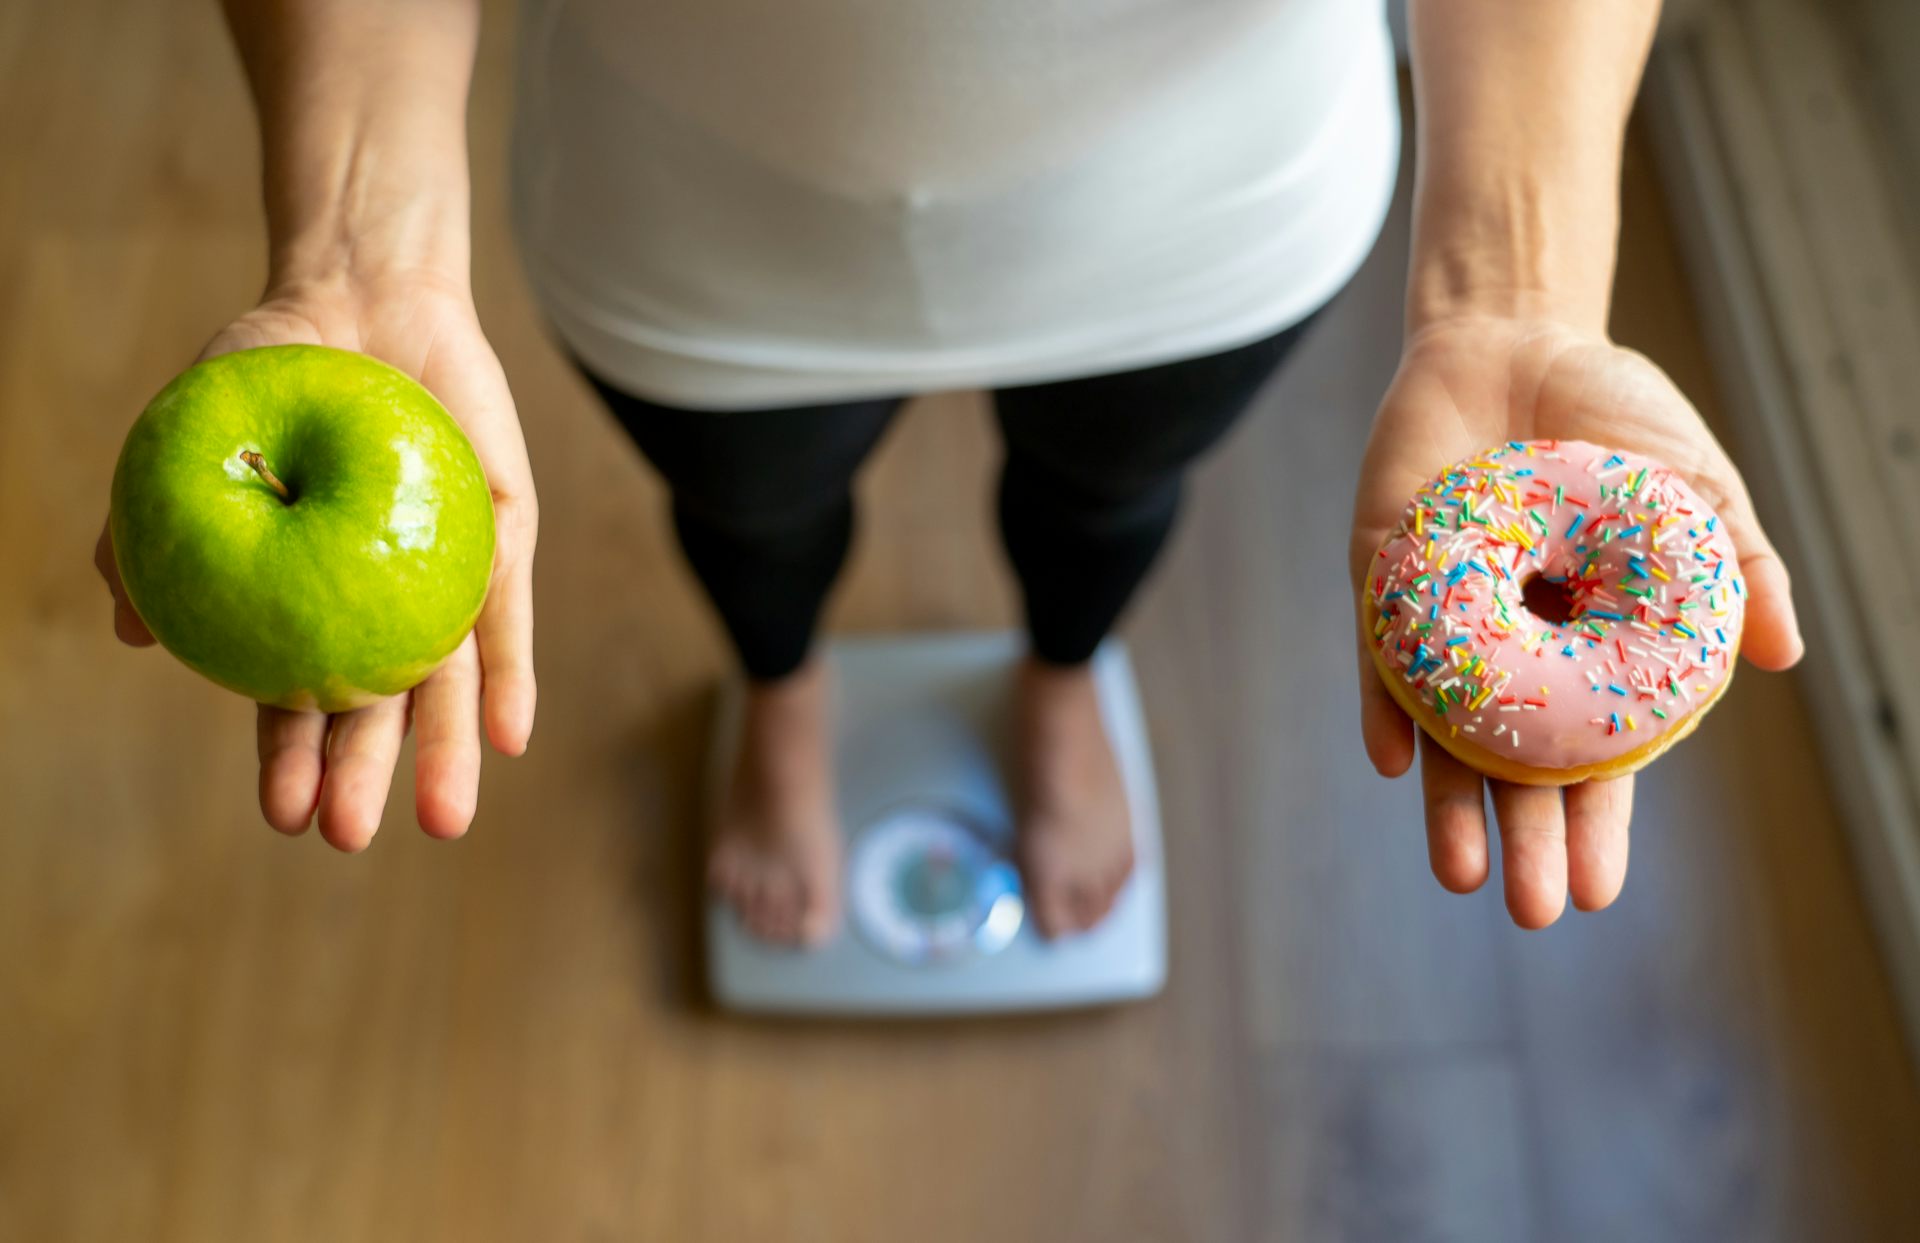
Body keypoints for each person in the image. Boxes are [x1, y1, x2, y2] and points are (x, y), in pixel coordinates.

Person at [95, 0, 1804, 942]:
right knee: (751, 517)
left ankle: (1063, 680)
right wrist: (356, 243)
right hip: (688, 219)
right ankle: (782, 691)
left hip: (1210, 218)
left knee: (1107, 501)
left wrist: (1512, 283)